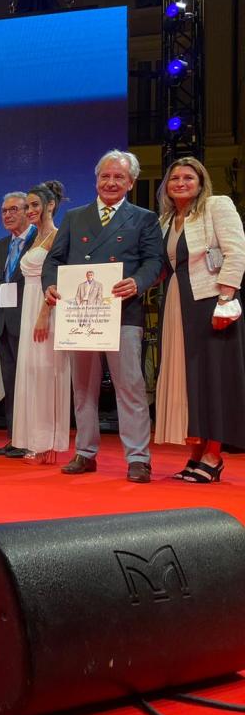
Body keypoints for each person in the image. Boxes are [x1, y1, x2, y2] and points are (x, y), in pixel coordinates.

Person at [43, 150, 163, 483]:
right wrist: (50, 285)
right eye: (105, 176)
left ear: (131, 182)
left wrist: (137, 282)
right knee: (83, 388)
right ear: (96, 179)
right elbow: (54, 261)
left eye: (118, 177)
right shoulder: (75, 217)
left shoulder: (144, 219)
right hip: (80, 316)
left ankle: (138, 457)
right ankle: (85, 452)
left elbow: (155, 261)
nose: (111, 182)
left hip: (124, 313)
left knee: (130, 388)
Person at [153, 157, 245, 482]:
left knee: (213, 377)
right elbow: (162, 265)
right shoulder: (166, 220)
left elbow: (235, 252)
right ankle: (195, 453)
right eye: (175, 177)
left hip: (211, 301)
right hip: (177, 301)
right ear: (166, 185)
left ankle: (213, 455)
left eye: (188, 177)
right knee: (187, 377)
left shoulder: (217, 206)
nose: (180, 182)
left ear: (201, 181)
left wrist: (225, 299)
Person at [12, 182, 71, 464]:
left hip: (47, 308)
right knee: (33, 373)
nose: (29, 210)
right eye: (27, 206)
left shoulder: (58, 237)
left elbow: (60, 279)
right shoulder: (34, 239)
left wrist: (45, 313)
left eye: (35, 205)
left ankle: (50, 443)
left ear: (50, 205)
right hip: (29, 309)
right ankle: (34, 440)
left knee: (48, 371)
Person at [0, 192, 36, 457]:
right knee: (10, 385)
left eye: (13, 210)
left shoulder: (40, 239)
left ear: (28, 211)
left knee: (30, 384)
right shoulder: (1, 246)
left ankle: (33, 439)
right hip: (4, 326)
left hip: (30, 323)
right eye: (4, 211)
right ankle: (15, 437)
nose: (7, 215)